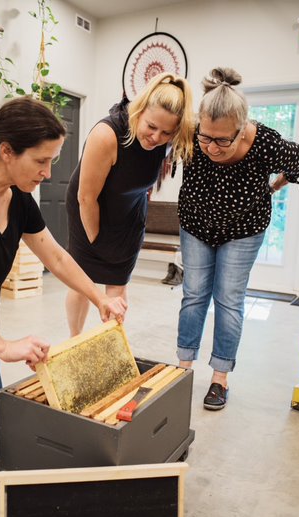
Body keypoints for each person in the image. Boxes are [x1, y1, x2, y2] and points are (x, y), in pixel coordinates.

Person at [0, 97, 127, 492]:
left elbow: (55, 256)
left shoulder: (18, 197)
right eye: (41, 161)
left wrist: (99, 298)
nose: (48, 173)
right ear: (5, 151)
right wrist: (3, 346)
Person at [177, 67, 299, 411]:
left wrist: (277, 185)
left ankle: (220, 378)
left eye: (223, 140)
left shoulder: (265, 142)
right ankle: (182, 368)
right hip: (195, 223)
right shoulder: (191, 133)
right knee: (193, 295)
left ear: (242, 128)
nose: (212, 147)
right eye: (206, 137)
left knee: (229, 299)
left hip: (244, 228)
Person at [65, 72, 195, 336]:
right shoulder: (107, 134)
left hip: (130, 214)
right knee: (82, 281)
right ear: (139, 110)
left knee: (118, 281)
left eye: (166, 132)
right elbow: (86, 197)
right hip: (89, 208)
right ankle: (74, 340)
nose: (156, 137)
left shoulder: (168, 141)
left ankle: (113, 343)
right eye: (151, 126)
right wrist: (96, 239)